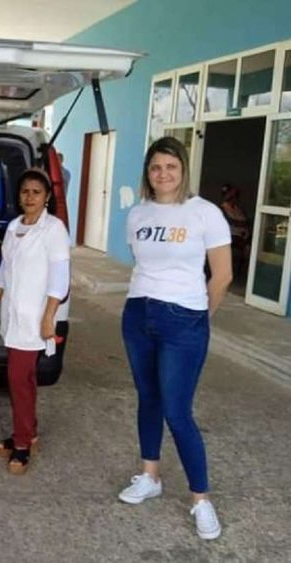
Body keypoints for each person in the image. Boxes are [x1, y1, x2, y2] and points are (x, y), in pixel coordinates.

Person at [118, 136, 232, 540]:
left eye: (170, 166)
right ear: (148, 174)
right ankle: (150, 475)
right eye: (155, 167)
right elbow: (142, 263)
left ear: (183, 170)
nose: (162, 174)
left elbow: (222, 276)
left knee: (177, 412)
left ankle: (201, 500)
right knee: (148, 398)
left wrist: (199, 318)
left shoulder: (204, 214)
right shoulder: (138, 215)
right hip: (138, 314)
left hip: (184, 319)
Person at [0, 168, 70, 475]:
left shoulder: (54, 229)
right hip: (13, 314)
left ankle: (22, 445)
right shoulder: (13, 227)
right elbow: (5, 271)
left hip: (35, 317)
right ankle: (28, 432)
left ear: (46, 197)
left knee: (18, 380)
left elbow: (60, 279)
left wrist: (50, 318)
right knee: (26, 379)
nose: (29, 197)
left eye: (36, 192)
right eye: (25, 192)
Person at [219, 183, 251, 279]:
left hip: (242, 236)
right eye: (231, 196)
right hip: (230, 236)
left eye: (235, 196)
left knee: (249, 247)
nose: (234, 198)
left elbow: (246, 221)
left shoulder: (238, 209)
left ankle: (242, 273)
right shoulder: (222, 209)